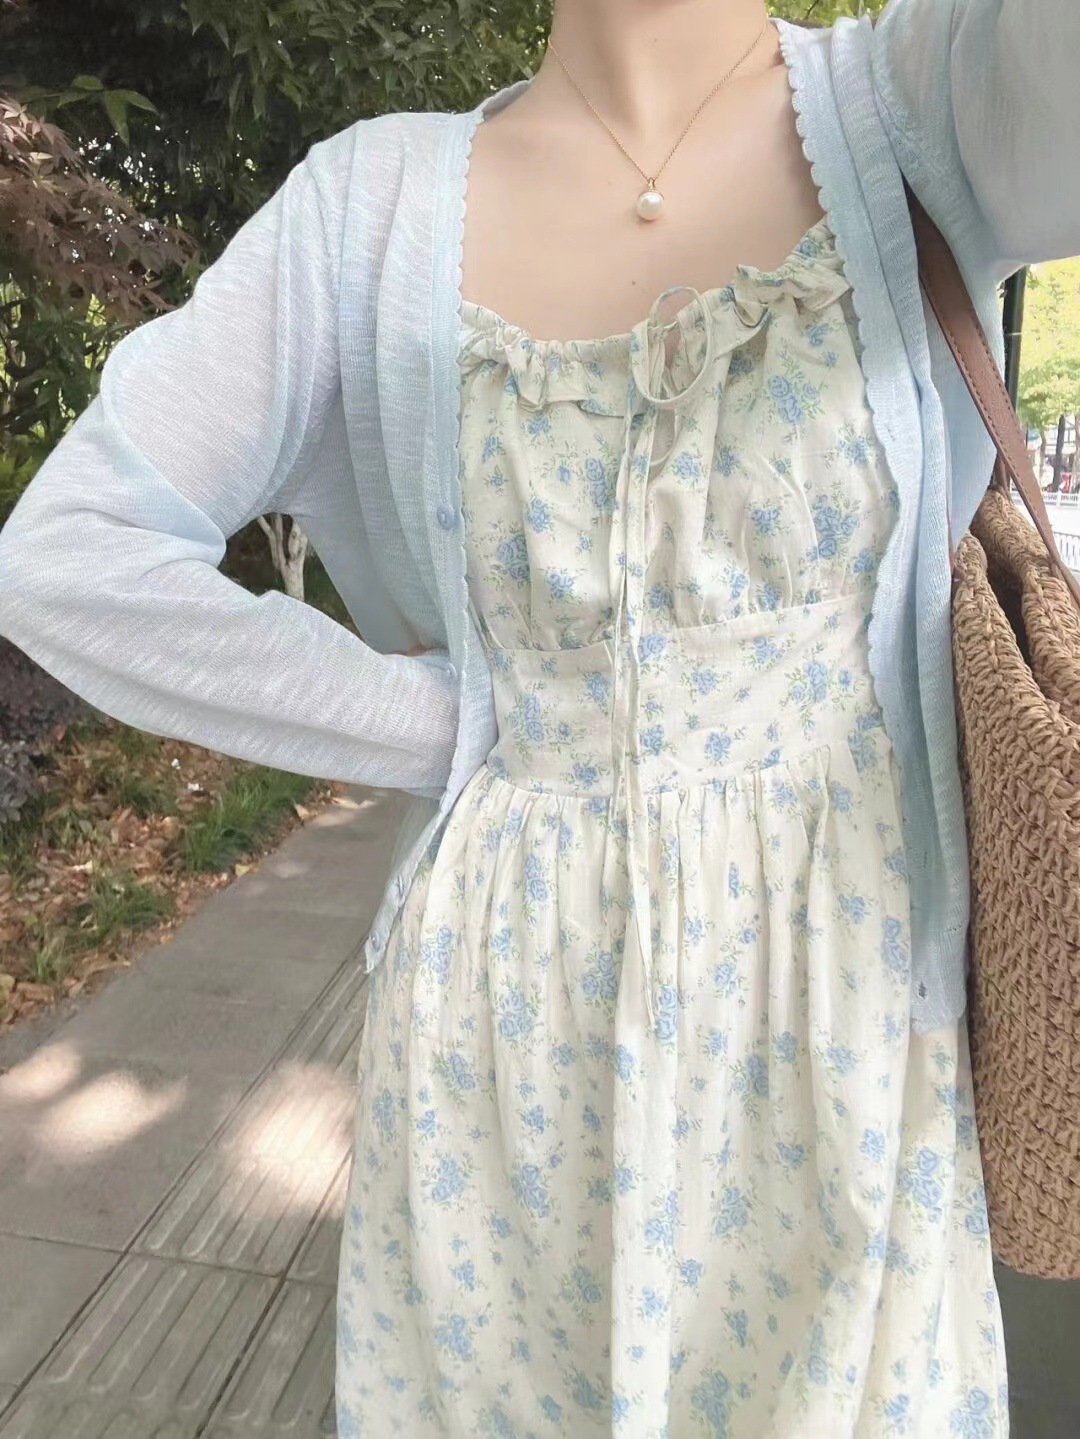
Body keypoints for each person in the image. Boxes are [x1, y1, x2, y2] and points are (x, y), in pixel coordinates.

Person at [1, 1, 1077, 1433]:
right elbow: (69, 554)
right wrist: (438, 725)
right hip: (497, 1064)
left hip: (856, 1066)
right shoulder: (367, 213)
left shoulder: (931, 107)